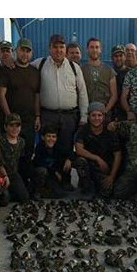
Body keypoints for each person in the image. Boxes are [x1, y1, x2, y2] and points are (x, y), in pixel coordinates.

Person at [33, 33, 89, 170]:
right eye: (55, 47)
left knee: (66, 149)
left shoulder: (74, 68)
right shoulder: (39, 64)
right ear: (49, 48)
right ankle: (48, 178)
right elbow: (22, 68)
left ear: (65, 49)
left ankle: (65, 178)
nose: (59, 50)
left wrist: (84, 116)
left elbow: (82, 93)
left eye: (61, 47)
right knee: (47, 150)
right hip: (48, 115)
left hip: (69, 117)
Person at [0, 37, 41, 181]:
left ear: (32, 53)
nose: (25, 54)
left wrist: (37, 116)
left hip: (29, 121)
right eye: (22, 50)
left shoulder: (35, 72)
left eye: (28, 51)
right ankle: (9, 184)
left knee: (27, 154)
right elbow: (1, 95)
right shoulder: (8, 70)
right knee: (10, 155)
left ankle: (25, 183)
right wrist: (9, 117)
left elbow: (37, 95)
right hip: (12, 122)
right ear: (16, 51)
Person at [74, 102, 122, 197]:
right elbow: (79, 149)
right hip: (89, 165)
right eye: (93, 115)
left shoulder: (110, 132)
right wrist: (97, 158)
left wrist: (111, 176)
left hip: (104, 169)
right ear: (88, 116)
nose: (97, 118)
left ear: (103, 117)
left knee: (107, 193)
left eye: (99, 115)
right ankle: (86, 185)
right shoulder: (83, 130)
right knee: (80, 161)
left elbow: (118, 155)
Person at [80, 37, 118, 117]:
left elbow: (114, 95)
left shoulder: (109, 70)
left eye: (97, 47)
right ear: (87, 49)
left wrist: (105, 111)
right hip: (86, 113)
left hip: (104, 114)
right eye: (92, 47)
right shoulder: (81, 70)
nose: (94, 50)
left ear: (100, 50)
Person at [0, 113, 30, 205]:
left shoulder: (22, 142)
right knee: (4, 200)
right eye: (11, 125)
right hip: (0, 174)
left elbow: (22, 161)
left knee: (24, 198)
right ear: (5, 127)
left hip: (14, 174)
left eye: (17, 126)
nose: (15, 128)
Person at [32, 124, 72, 199]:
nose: (51, 139)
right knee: (42, 170)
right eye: (48, 136)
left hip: (54, 175)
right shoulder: (39, 147)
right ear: (43, 137)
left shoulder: (59, 146)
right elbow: (40, 163)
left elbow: (71, 153)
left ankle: (61, 185)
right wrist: (55, 172)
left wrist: (69, 159)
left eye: (53, 137)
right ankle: (37, 190)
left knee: (60, 194)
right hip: (44, 174)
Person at [111, 44, 129, 121]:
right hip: (112, 112)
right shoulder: (109, 72)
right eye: (116, 56)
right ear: (112, 58)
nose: (118, 58)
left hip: (127, 112)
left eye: (121, 55)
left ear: (125, 57)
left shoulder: (131, 73)